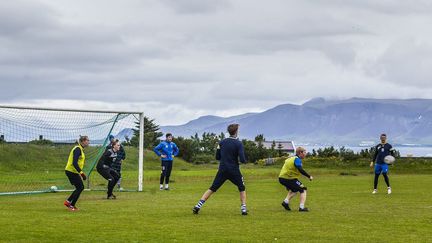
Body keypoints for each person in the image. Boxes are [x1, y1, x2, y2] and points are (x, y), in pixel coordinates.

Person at [192, 124, 248, 215]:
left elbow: (217, 157)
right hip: (234, 170)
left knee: (212, 188)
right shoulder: (239, 143)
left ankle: (198, 206)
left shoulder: (221, 142)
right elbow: (242, 159)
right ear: (236, 131)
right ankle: (243, 208)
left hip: (222, 169)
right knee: (242, 188)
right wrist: (244, 161)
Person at [278, 146, 313, 212]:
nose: (306, 154)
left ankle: (285, 202)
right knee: (303, 189)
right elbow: (300, 169)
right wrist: (309, 176)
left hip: (282, 178)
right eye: (305, 152)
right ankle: (301, 208)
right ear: (300, 153)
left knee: (294, 190)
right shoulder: (297, 159)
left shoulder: (290, 158)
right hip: (289, 178)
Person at [64, 135, 89, 211]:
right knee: (80, 187)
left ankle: (70, 203)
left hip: (73, 171)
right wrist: (81, 173)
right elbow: (74, 163)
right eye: (87, 140)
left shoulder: (80, 149)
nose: (88, 142)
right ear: (83, 141)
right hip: (71, 171)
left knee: (80, 187)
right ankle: (70, 203)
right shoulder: (78, 149)